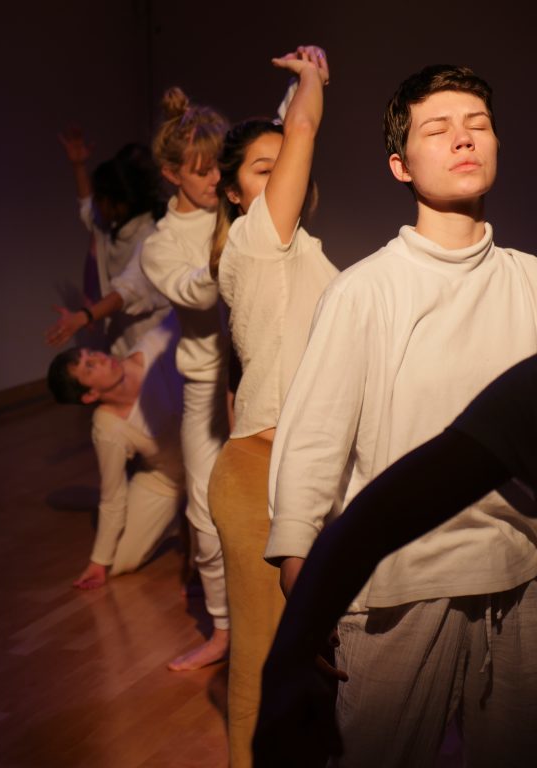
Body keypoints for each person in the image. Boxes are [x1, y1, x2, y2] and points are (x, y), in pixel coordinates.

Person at [264, 63, 537, 766]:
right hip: (400, 585)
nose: (465, 140)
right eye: (439, 129)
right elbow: (314, 436)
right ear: (400, 164)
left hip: (522, 579)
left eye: (479, 125)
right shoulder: (366, 292)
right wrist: (302, 580)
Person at [254, 340, 537, 768]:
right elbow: (370, 507)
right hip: (403, 582)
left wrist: (289, 662)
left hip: (518, 569)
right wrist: (292, 648)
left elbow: (374, 519)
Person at [206, 44, 336, 768]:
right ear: (232, 193)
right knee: (262, 661)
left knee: (317, 657)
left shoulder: (301, 251)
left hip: (311, 472)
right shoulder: (255, 244)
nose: (284, 166)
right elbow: (304, 135)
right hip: (262, 475)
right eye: (264, 166)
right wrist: (311, 81)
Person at [140, 86, 232, 670]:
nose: (215, 177)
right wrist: (235, 242)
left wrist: (306, 87)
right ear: (173, 173)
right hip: (206, 385)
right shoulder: (160, 245)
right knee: (204, 507)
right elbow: (199, 289)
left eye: (220, 164)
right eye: (201, 171)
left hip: (260, 375)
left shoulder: (233, 200)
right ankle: (223, 630)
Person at [47, 318, 185, 589]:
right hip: (167, 477)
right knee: (121, 561)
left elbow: (181, 315)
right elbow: (113, 494)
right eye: (89, 367)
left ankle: (189, 520)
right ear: (89, 395)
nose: (99, 358)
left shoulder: (155, 346)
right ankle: (176, 517)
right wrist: (98, 561)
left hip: (211, 464)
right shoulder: (107, 425)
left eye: (91, 355)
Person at [49, 133, 172, 356]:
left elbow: (126, 291)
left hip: (153, 346)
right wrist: (78, 165)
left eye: (100, 198)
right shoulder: (114, 224)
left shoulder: (150, 237)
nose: (95, 203)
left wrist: (83, 316)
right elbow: (88, 211)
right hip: (121, 341)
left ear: (118, 203)